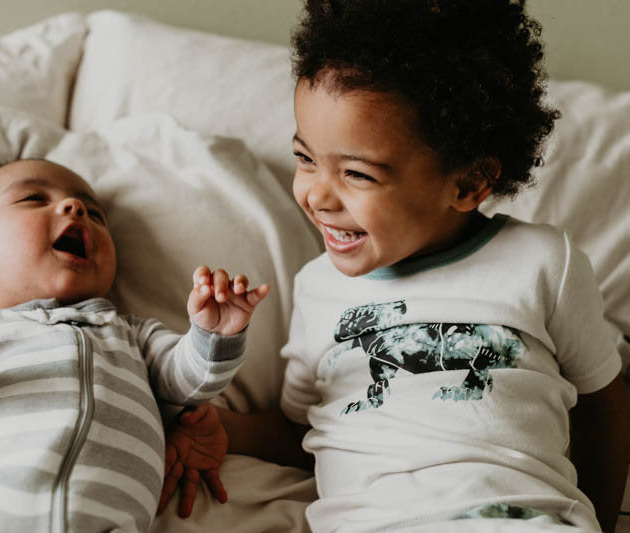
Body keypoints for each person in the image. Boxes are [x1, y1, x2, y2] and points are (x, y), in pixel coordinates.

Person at [158, 1, 630, 531]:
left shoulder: (544, 263)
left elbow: (604, 407)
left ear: (469, 183)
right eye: (306, 158)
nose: (317, 195)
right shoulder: (316, 288)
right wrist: (224, 429)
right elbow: (302, 431)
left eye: (357, 175)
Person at [0, 159, 269, 533]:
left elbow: (188, 385)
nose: (75, 208)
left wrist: (214, 335)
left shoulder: (130, 334)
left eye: (95, 214)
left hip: (104, 522)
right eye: (33, 199)